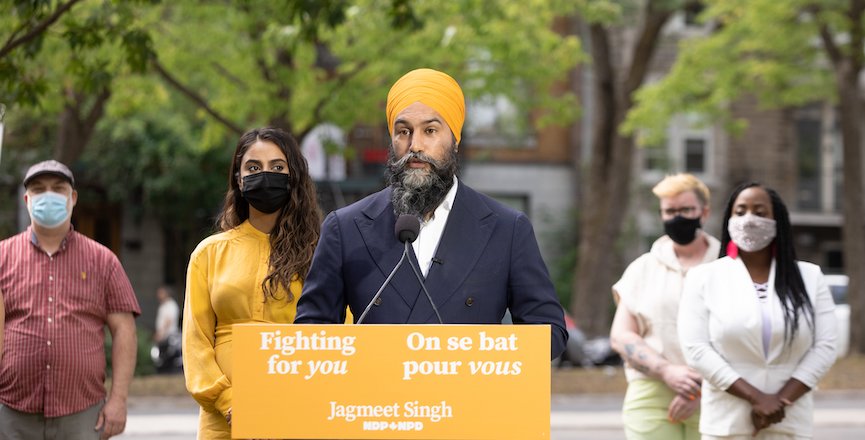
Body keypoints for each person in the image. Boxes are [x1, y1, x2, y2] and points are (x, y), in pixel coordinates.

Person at [294, 68, 568, 359]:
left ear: (455, 139)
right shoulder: (346, 228)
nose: (415, 146)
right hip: (376, 402)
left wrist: (481, 353)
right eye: (403, 132)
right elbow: (311, 333)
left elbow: (548, 332)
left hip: (468, 398)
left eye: (430, 131)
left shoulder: (507, 229)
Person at [182, 127, 322, 438]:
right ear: (238, 178)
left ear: (294, 176)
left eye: (278, 167)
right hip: (223, 419)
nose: (266, 174)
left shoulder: (322, 254)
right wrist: (229, 402)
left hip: (296, 412)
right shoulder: (208, 253)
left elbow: (339, 335)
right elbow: (196, 343)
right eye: (254, 168)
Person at [678, 182, 837, 439]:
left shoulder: (810, 277)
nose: (749, 219)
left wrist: (781, 401)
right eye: (740, 212)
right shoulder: (703, 278)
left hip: (789, 421)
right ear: (729, 219)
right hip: (727, 422)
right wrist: (757, 398)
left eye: (760, 212)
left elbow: (826, 347)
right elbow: (696, 349)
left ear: (778, 221)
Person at [0, 159, 141, 440]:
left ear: (72, 197)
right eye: (39, 190)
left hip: (81, 413)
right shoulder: (3, 257)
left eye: (58, 188)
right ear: (27, 200)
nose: (47, 195)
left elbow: (125, 330)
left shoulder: (103, 261)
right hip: (11, 412)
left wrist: (119, 399)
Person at [610, 173, 719, 440]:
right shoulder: (642, 268)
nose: (677, 217)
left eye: (686, 209)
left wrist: (699, 388)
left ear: (704, 213)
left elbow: (743, 335)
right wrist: (666, 371)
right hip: (650, 392)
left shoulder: (729, 266)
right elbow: (621, 335)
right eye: (670, 211)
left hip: (719, 394)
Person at [152, 285, 181, 373]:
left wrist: (161, 333)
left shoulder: (171, 305)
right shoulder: (163, 306)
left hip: (169, 336)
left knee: (167, 358)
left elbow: (168, 321)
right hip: (164, 336)